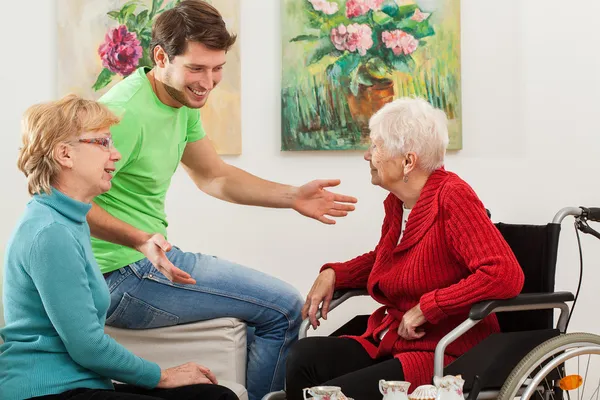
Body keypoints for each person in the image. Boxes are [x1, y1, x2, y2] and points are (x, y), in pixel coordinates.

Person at [88, 1, 357, 400]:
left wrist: (292, 197)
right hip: (120, 275)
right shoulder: (122, 114)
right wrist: (140, 239)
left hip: (145, 261)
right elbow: (67, 199)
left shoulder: (179, 101)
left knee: (259, 318)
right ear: (161, 57)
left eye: (217, 69)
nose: (208, 82)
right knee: (284, 308)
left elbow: (214, 176)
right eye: (196, 68)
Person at [285, 97, 525, 400]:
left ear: (407, 161)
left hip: (445, 351)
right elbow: (390, 262)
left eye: (375, 147)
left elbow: (504, 273)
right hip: (394, 340)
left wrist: (429, 307)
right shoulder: (398, 203)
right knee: (304, 357)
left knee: (339, 394)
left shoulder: (452, 196)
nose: (366, 156)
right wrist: (336, 273)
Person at [0, 94, 237, 400]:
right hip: (47, 390)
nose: (115, 154)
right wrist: (161, 375)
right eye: (103, 143)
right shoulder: (51, 232)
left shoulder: (68, 219)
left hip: (79, 383)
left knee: (211, 396)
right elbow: (87, 345)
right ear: (65, 155)